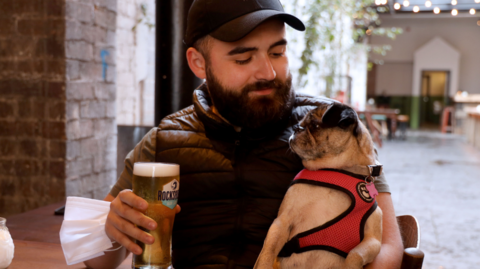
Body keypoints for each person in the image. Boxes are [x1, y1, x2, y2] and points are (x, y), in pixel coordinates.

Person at [84, 0, 404, 268]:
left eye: (277, 53)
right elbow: (98, 261)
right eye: (244, 58)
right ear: (198, 62)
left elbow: (388, 246)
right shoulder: (163, 142)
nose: (267, 72)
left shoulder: (330, 130)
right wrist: (112, 232)